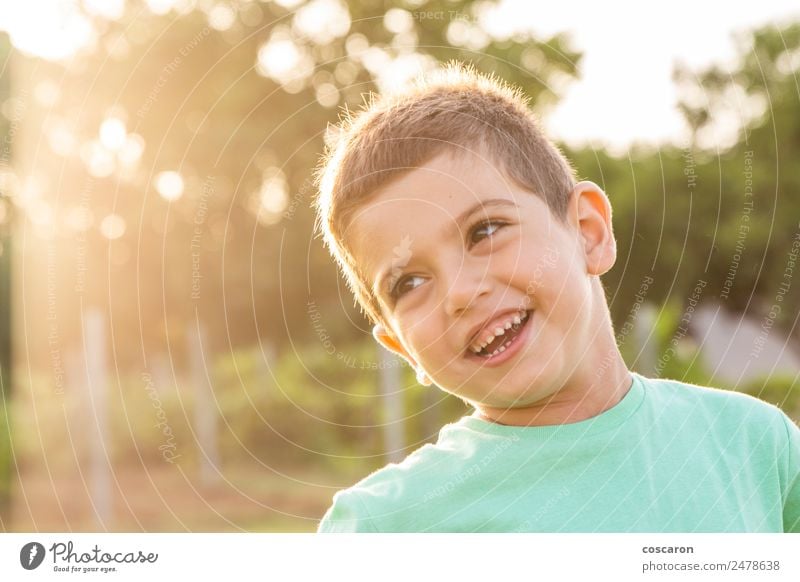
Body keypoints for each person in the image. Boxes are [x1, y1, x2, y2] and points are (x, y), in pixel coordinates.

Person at [311, 61, 800, 532]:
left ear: (588, 232)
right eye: (409, 284)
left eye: (484, 231)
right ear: (399, 345)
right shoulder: (384, 528)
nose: (459, 292)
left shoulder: (755, 445)